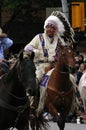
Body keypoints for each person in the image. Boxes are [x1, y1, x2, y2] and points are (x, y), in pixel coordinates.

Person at [24, 15, 71, 116]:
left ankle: (72, 104)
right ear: (45, 27)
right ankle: (31, 102)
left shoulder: (59, 40)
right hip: (40, 66)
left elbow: (63, 52)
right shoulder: (39, 37)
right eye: (48, 27)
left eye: (52, 28)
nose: (49, 29)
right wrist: (35, 51)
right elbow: (27, 47)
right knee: (36, 79)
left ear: (55, 29)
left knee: (71, 79)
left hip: (55, 66)